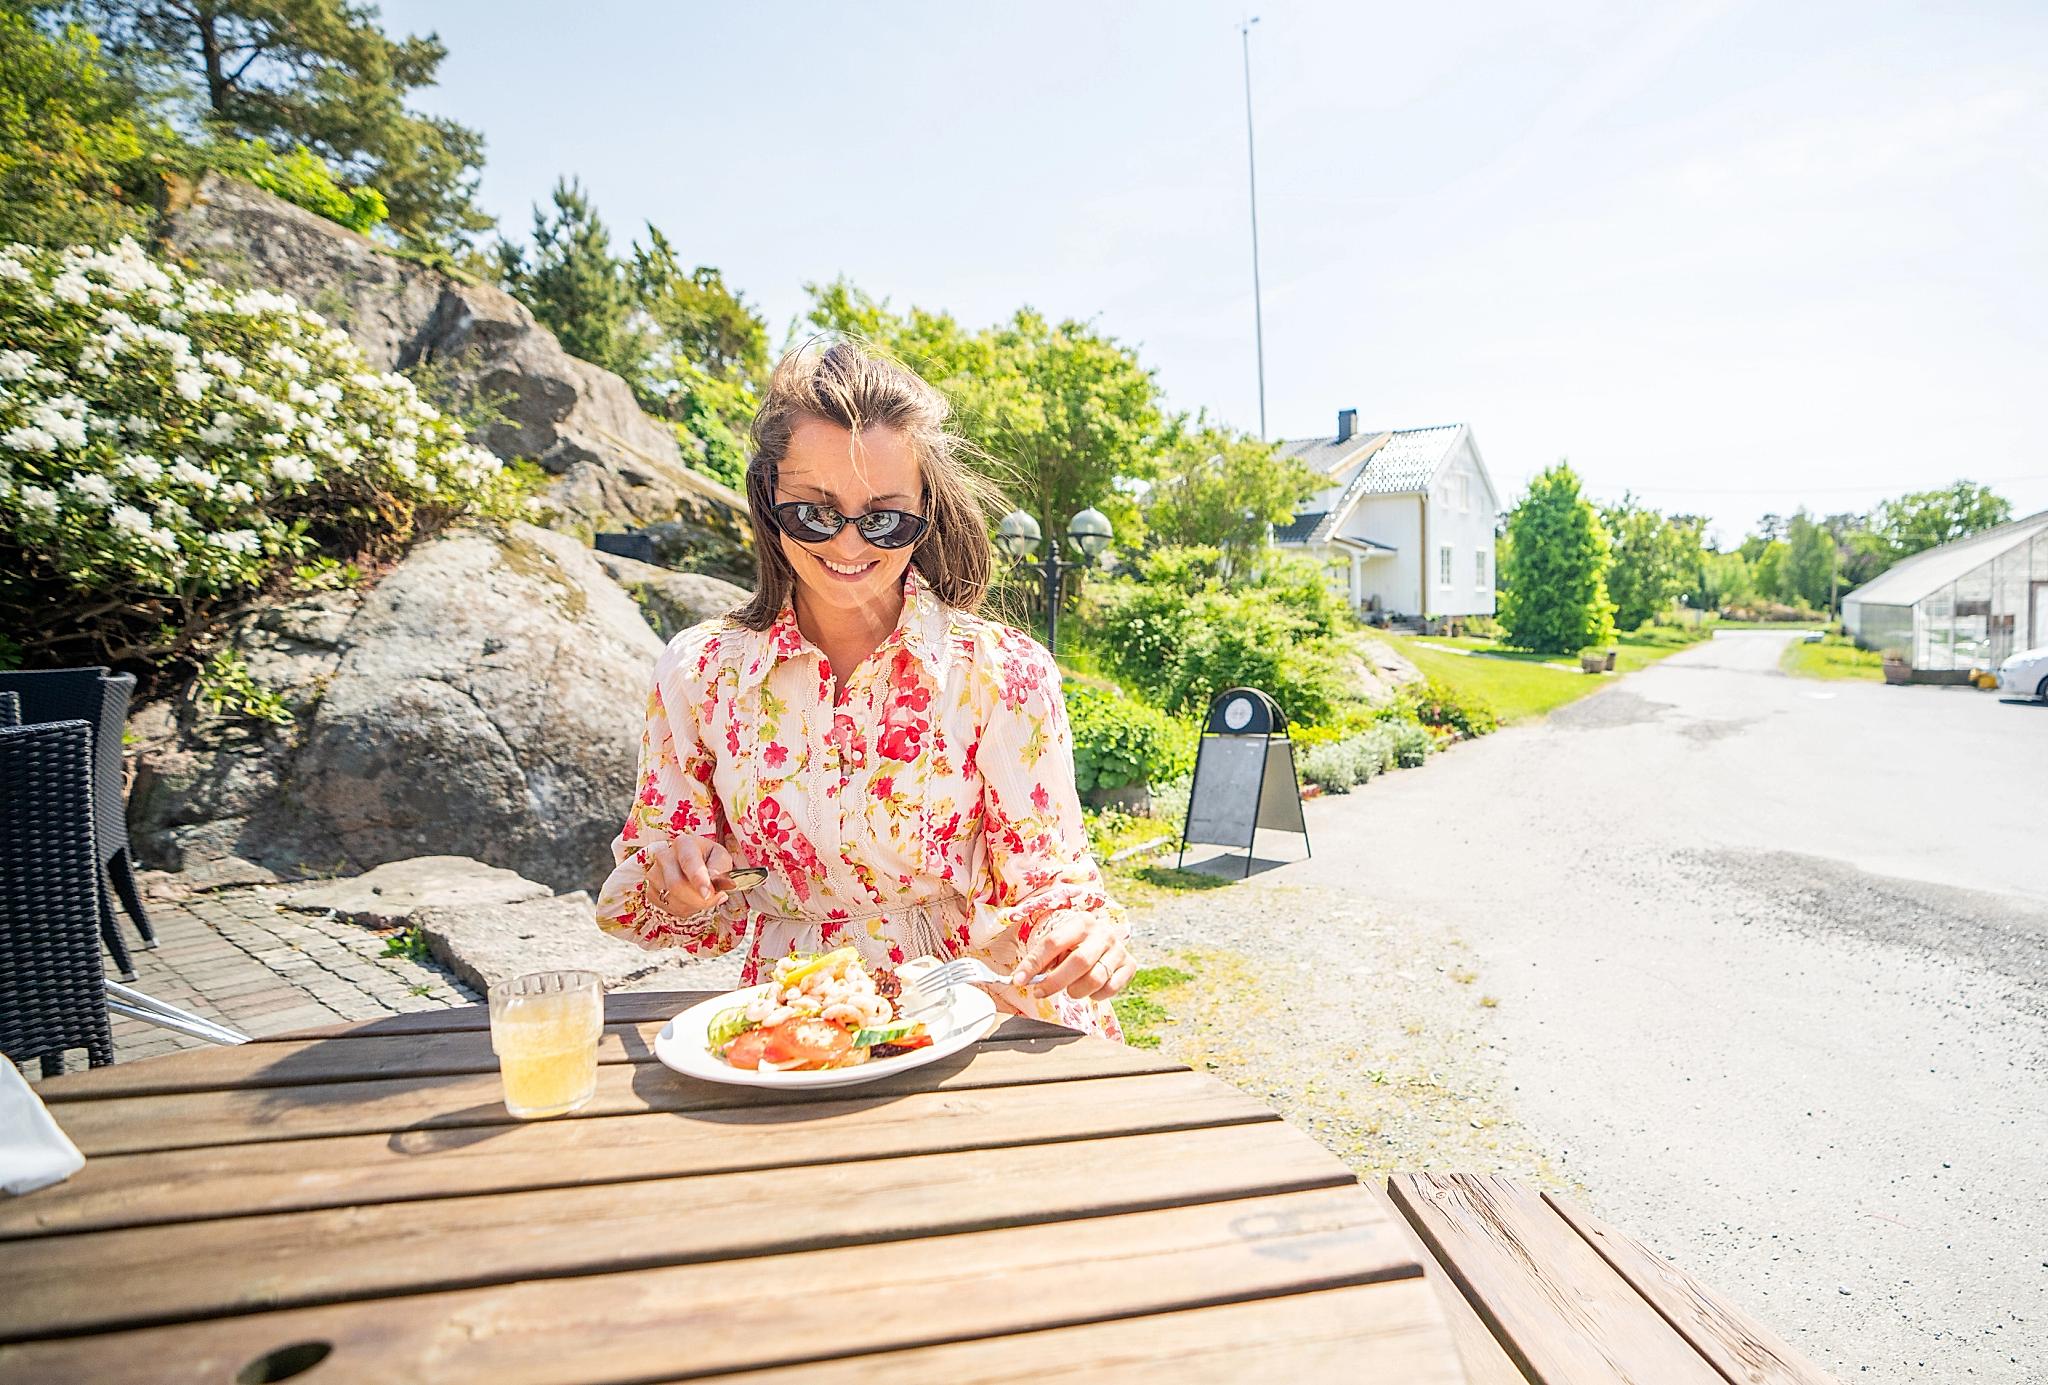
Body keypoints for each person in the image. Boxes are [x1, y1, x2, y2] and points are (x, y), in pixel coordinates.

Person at [595, 339, 1131, 1036]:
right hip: (798, 1027)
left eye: (884, 518)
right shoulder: (699, 674)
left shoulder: (1002, 671)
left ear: (927, 511)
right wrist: (681, 882)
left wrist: (1084, 937)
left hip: (979, 1014)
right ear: (769, 500)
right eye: (814, 513)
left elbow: (1052, 883)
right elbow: (664, 898)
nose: (849, 546)